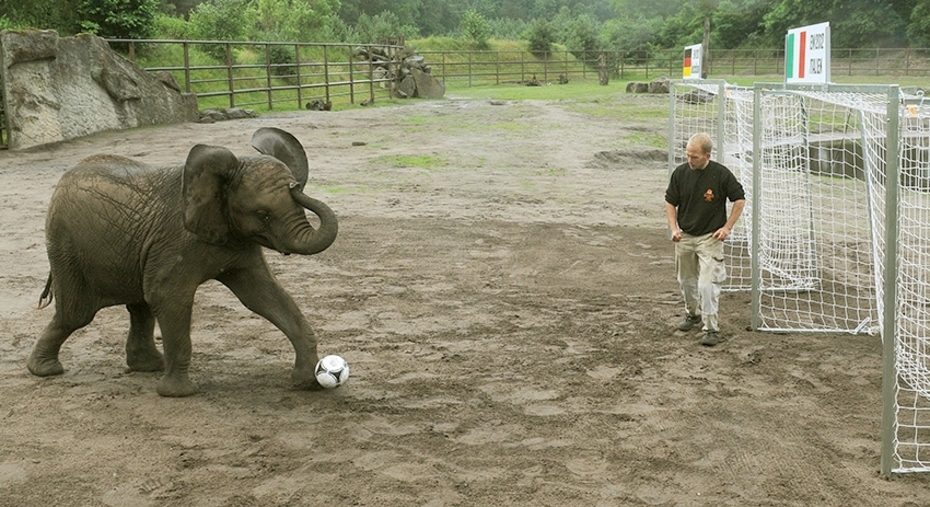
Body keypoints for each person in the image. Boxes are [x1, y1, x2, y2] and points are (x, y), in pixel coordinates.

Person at [664, 133, 746, 346]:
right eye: (688, 155)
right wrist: (673, 228)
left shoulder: (720, 174)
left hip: (710, 237)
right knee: (686, 281)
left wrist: (727, 227)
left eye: (695, 157)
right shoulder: (680, 174)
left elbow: (739, 199)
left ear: (707, 155)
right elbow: (670, 202)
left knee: (707, 285)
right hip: (685, 236)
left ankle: (711, 329)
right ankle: (693, 313)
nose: (690, 160)